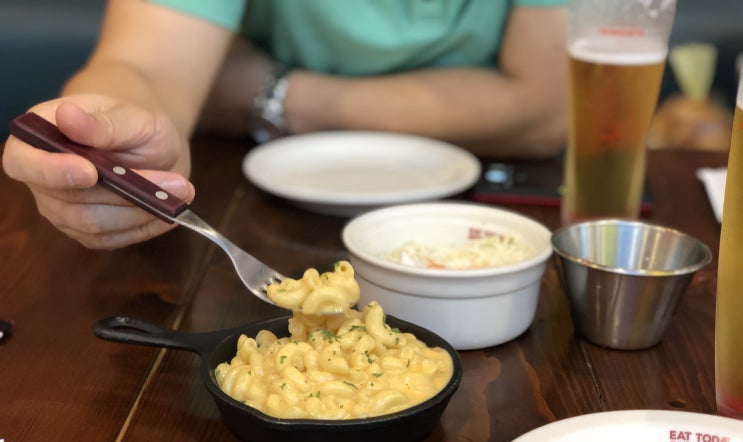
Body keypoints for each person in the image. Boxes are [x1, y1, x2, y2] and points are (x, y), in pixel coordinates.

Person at [2, 0, 568, 250]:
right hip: (249, 205)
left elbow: (548, 111)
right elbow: (144, 66)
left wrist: (268, 92)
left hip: (503, 210)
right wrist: (101, 122)